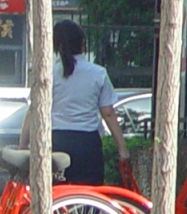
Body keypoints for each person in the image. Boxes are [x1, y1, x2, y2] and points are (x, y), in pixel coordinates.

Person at [19, 20, 129, 184]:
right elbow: (108, 113)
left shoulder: (47, 73)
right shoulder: (98, 73)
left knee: (55, 195)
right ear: (83, 44)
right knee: (88, 197)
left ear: (56, 44)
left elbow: (33, 111)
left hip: (55, 142)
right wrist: (122, 148)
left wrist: (22, 145)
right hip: (87, 144)